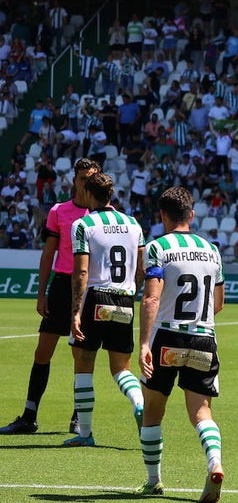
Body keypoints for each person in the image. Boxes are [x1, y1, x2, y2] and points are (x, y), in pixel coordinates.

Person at [136, 187, 227, 503]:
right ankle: (214, 461)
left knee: (153, 409)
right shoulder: (212, 250)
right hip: (204, 337)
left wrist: (145, 343)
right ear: (192, 214)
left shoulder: (157, 247)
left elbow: (150, 297)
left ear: (162, 215)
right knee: (201, 411)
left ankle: (153, 480)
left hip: (168, 337)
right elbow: (218, 304)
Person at [1, 157, 99, 436]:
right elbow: (48, 255)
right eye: (83, 179)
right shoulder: (59, 211)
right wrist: (41, 292)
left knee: (82, 355)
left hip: (89, 289)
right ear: (74, 181)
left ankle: (78, 416)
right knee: (43, 351)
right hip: (60, 287)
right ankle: (29, 416)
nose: (86, 184)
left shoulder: (104, 215)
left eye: (91, 179)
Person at [64, 172, 146, 447]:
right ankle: (139, 401)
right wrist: (129, 291)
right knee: (121, 368)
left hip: (95, 298)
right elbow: (142, 270)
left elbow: (82, 271)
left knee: (83, 365)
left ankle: (85, 433)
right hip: (124, 299)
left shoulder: (83, 224)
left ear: (88, 193)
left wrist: (76, 311)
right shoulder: (133, 224)